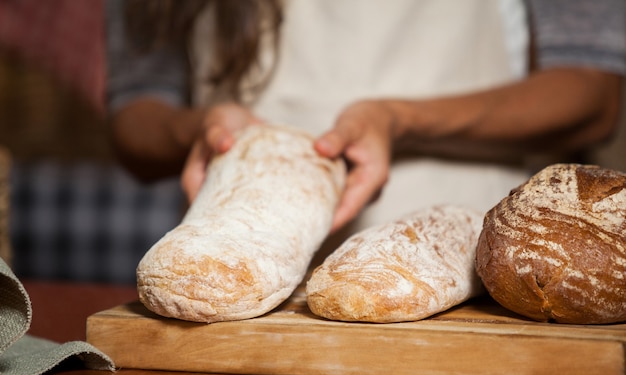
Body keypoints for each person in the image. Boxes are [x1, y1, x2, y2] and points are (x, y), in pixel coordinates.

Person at [106, 0, 625, 248]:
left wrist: (398, 120)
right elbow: (135, 112)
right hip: (227, 256)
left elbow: (592, 92)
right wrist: (201, 129)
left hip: (471, 254)